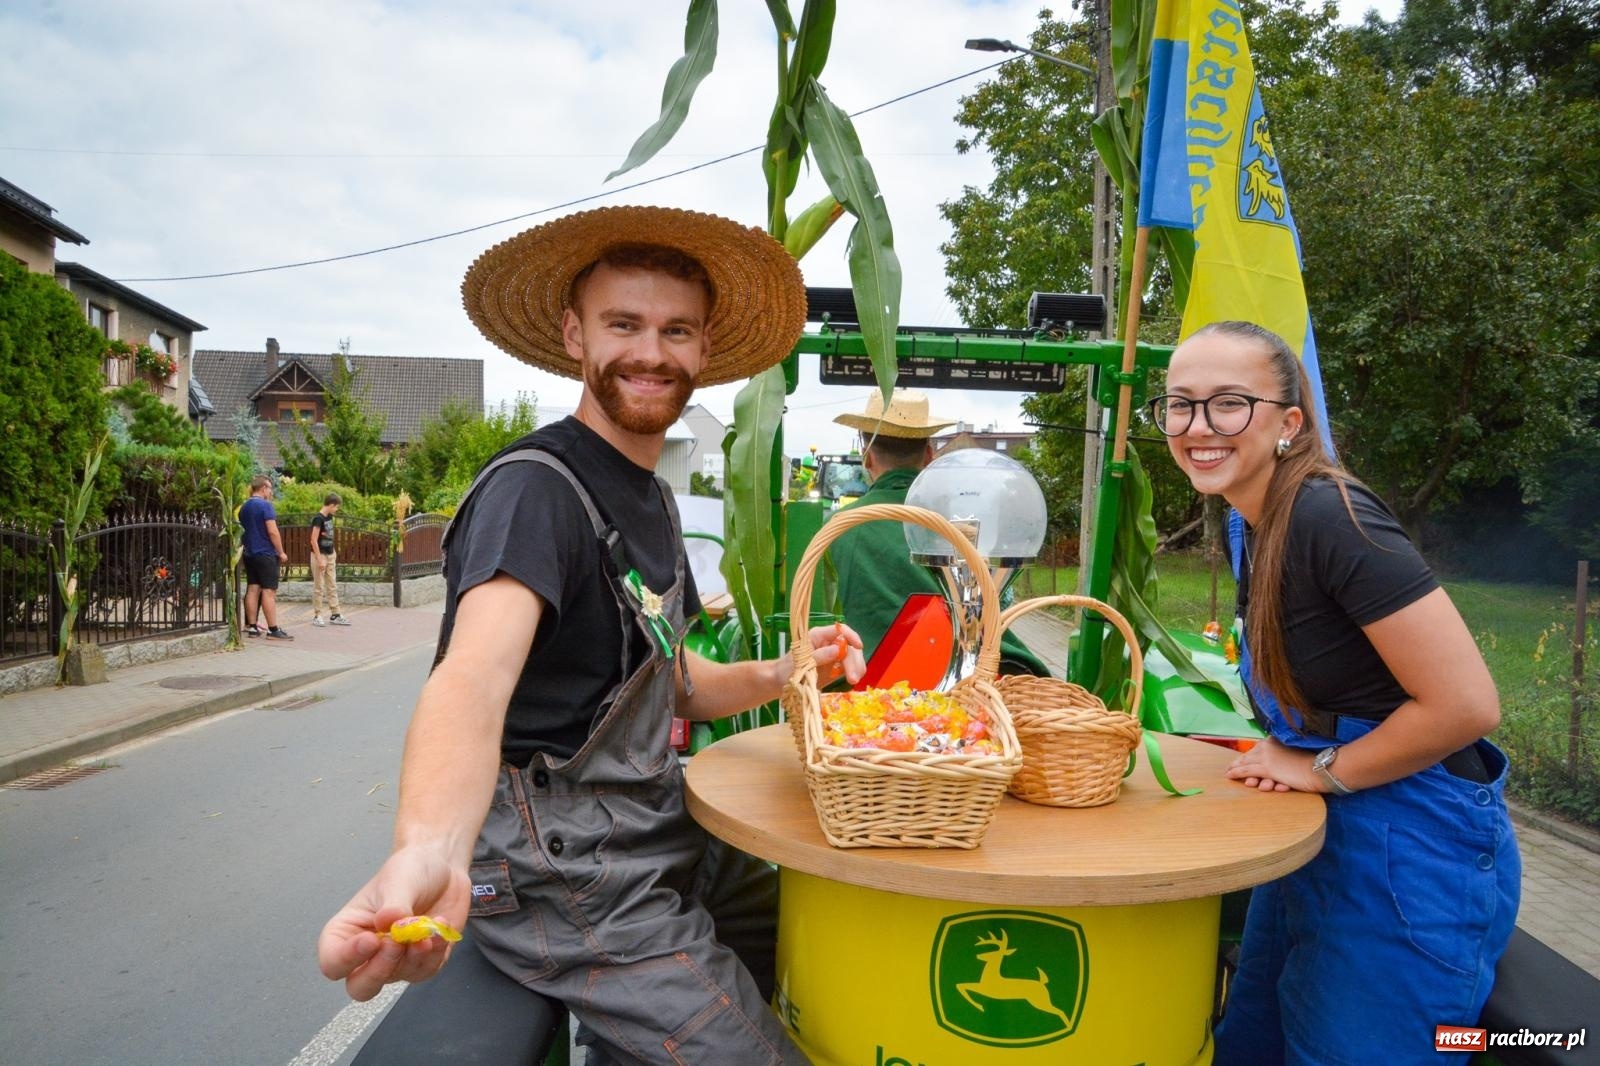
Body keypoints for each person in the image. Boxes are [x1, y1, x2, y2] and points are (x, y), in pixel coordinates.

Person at [316, 205, 863, 1066]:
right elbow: (472, 680)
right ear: (575, 335)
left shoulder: (651, 495)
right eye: (624, 324)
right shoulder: (536, 491)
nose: (652, 352)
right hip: (563, 873)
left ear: (704, 349)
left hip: (652, 830)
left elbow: (670, 679)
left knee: (825, 928)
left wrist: (786, 670)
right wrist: (426, 850)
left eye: (675, 329)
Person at [1149, 320, 1519, 1064]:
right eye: (1180, 405)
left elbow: (1466, 705)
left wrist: (1324, 768)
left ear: (1289, 422)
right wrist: (1292, 749)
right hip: (1321, 839)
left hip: (1410, 855)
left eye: (1228, 403)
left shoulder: (1329, 516)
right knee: (1253, 1041)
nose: (1197, 426)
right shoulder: (1248, 520)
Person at [828, 389, 1049, 676]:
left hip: (871, 686)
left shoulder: (841, 526)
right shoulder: (961, 523)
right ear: (930, 455)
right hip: (983, 673)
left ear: (866, 456)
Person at [238, 475, 292, 640]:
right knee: (269, 591)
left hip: (249, 554)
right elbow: (272, 531)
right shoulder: (265, 506)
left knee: (253, 588)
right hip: (266, 554)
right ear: (263, 488)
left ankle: (252, 627)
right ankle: (273, 629)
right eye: (269, 488)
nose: (271, 491)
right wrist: (281, 552)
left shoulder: (244, 507)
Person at [308, 492, 349, 627]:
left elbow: (328, 536)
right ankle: (317, 615)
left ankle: (335, 614)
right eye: (336, 507)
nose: (337, 510)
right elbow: (313, 540)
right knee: (319, 586)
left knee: (332, 585)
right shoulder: (318, 519)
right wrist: (320, 559)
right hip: (319, 555)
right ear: (331, 505)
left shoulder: (330, 517)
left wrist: (333, 552)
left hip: (330, 554)